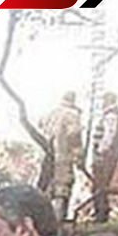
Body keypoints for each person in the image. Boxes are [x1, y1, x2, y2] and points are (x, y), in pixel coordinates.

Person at [39, 91, 83, 222]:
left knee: (46, 187)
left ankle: (42, 220)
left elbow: (40, 124)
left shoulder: (50, 113)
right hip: (63, 156)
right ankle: (57, 221)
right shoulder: (72, 115)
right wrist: (79, 157)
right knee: (62, 188)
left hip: (46, 156)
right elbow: (74, 136)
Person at [92, 92, 118, 222]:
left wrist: (101, 151)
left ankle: (101, 214)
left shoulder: (112, 114)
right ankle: (100, 212)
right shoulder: (114, 114)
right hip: (109, 154)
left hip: (107, 155)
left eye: (104, 100)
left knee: (100, 184)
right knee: (100, 184)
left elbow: (109, 135)